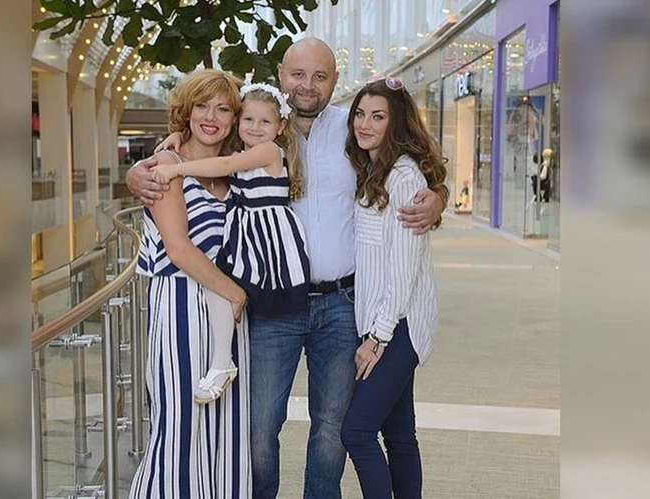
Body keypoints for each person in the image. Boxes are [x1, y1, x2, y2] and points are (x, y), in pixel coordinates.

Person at [127, 38, 448, 499]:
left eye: (320, 76)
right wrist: (144, 167)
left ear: (334, 80)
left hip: (342, 303)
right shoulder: (254, 127)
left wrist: (437, 196)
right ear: (281, 75)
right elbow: (202, 139)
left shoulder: (353, 129)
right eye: (298, 74)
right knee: (259, 426)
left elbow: (409, 163)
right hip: (271, 302)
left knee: (331, 429)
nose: (308, 85)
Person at [127, 68, 251, 498]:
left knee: (226, 427)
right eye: (202, 106)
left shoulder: (235, 169)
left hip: (228, 320)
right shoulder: (167, 165)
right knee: (179, 424)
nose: (211, 117)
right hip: (181, 309)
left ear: (235, 118)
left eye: (223, 109)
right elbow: (178, 249)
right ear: (187, 111)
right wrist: (234, 292)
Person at [150, 81, 310, 403]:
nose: (255, 127)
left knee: (221, 279)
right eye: (248, 120)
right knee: (219, 279)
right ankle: (222, 359)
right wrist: (177, 140)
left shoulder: (265, 151)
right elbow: (217, 156)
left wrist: (177, 169)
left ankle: (222, 360)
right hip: (245, 243)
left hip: (264, 243)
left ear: (280, 126)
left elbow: (223, 166)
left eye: (265, 121)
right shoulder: (241, 152)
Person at [340, 78, 446, 499]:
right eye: (360, 114)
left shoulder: (403, 177)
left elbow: (404, 270)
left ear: (395, 123)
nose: (364, 124)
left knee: (357, 431)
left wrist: (377, 338)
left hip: (396, 326)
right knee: (399, 434)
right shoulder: (374, 171)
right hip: (383, 322)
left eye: (377, 116)